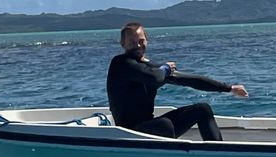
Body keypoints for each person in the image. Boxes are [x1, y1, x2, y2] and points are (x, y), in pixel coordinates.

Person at [106, 22, 248, 141]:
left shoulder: (151, 69)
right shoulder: (120, 64)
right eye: (132, 42)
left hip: (149, 127)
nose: (138, 46)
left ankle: (217, 152)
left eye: (141, 41)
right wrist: (166, 68)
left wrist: (229, 88)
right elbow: (155, 78)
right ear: (123, 44)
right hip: (128, 133)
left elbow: (189, 80)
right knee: (164, 125)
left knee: (203, 110)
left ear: (147, 41)